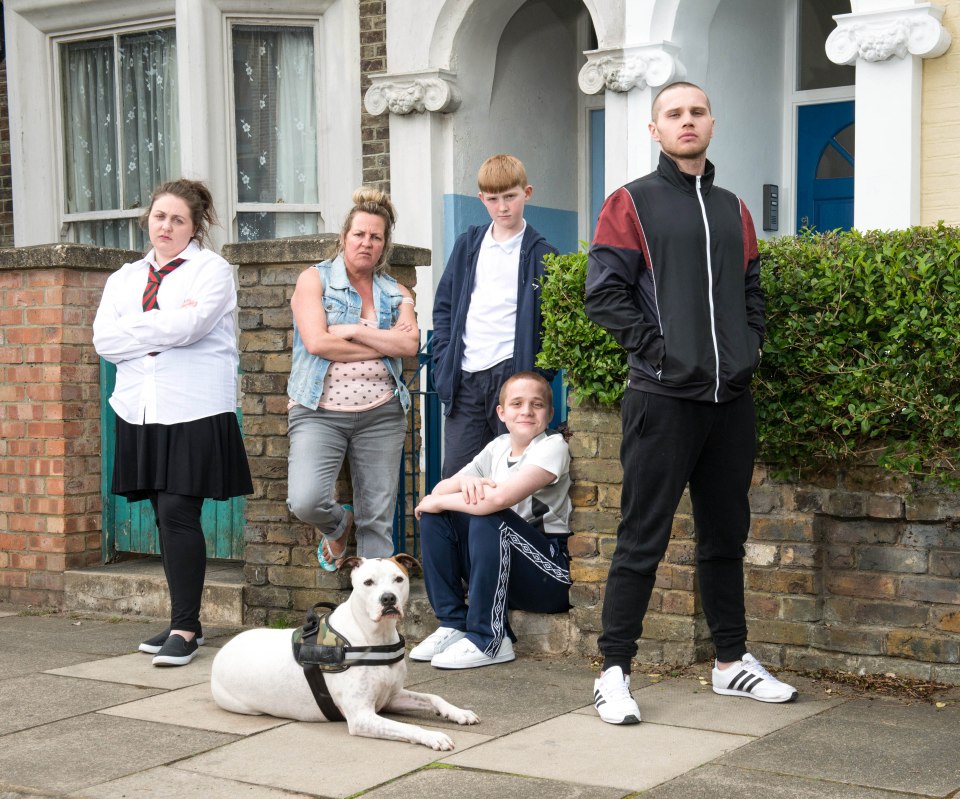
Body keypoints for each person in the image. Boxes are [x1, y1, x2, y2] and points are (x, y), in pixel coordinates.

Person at [584, 82, 798, 724]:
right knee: (640, 539)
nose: (686, 122)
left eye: (696, 112)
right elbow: (605, 295)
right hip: (662, 400)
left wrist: (748, 350)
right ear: (655, 129)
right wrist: (661, 354)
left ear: (712, 123)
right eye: (673, 114)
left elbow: (752, 292)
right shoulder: (631, 203)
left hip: (730, 401)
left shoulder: (734, 209)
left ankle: (731, 664)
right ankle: (613, 672)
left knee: (725, 538)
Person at [93, 179, 252, 667]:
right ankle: (187, 619)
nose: (166, 226)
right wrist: (165, 325)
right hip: (141, 404)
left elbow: (192, 326)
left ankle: (184, 628)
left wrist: (137, 330)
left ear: (195, 225)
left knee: (179, 510)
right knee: (164, 514)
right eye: (160, 216)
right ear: (149, 219)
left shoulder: (212, 271)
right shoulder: (123, 277)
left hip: (194, 406)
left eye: (178, 219)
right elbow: (104, 340)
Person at [286, 187, 419, 570]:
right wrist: (383, 343)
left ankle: (374, 617)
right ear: (344, 237)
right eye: (359, 234)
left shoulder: (397, 293)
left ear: (384, 245)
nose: (366, 242)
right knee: (306, 500)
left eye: (375, 237)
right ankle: (341, 524)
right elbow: (317, 342)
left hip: (382, 413)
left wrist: (352, 331)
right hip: (318, 410)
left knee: (378, 520)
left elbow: (409, 344)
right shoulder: (314, 280)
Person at [412, 371, 571, 669]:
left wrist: (445, 498)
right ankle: (453, 623)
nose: (526, 411)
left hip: (548, 575)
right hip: (502, 568)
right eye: (517, 404)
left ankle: (490, 639)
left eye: (536, 405)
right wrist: (460, 488)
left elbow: (497, 501)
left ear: (549, 413)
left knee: (487, 516)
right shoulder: (497, 446)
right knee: (437, 518)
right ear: (501, 412)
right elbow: (441, 488)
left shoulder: (553, 446)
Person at [432, 154, 559, 478]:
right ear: (482, 199)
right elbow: (445, 307)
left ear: (526, 193)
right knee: (458, 476)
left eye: (510, 197)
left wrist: (537, 374)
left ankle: (505, 533)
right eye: (493, 199)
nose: (502, 207)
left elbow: (553, 326)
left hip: (513, 376)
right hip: (466, 377)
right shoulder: (468, 246)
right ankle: (462, 532)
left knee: (511, 477)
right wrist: (445, 358)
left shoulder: (543, 255)